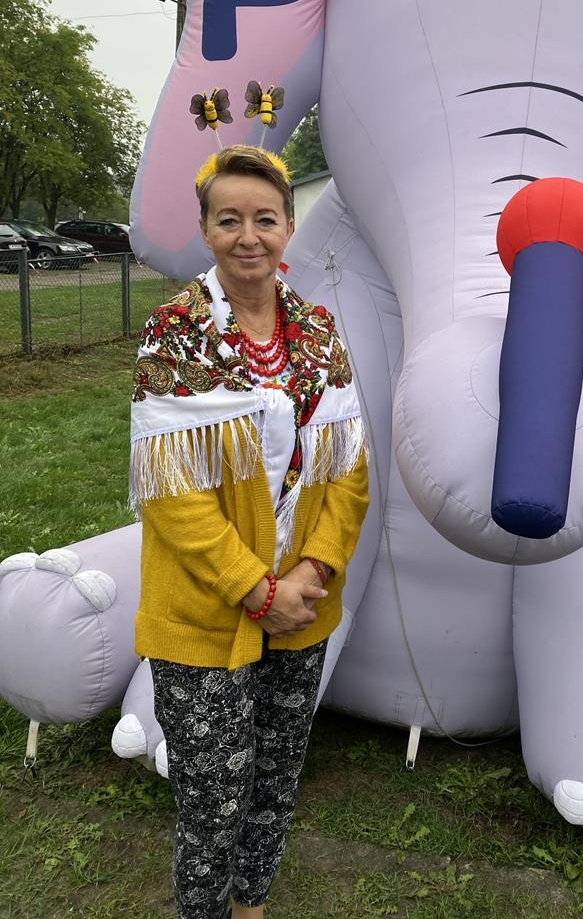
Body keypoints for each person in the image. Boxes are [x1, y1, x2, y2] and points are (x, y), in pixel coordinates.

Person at [130, 144, 369, 919]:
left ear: (288, 227)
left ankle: (252, 906)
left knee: (273, 781)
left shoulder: (318, 333)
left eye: (265, 219)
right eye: (229, 219)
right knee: (213, 801)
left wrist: (313, 572)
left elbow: (349, 469)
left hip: (302, 611)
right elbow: (172, 493)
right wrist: (256, 590)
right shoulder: (176, 333)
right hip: (205, 615)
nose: (248, 236)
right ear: (205, 229)